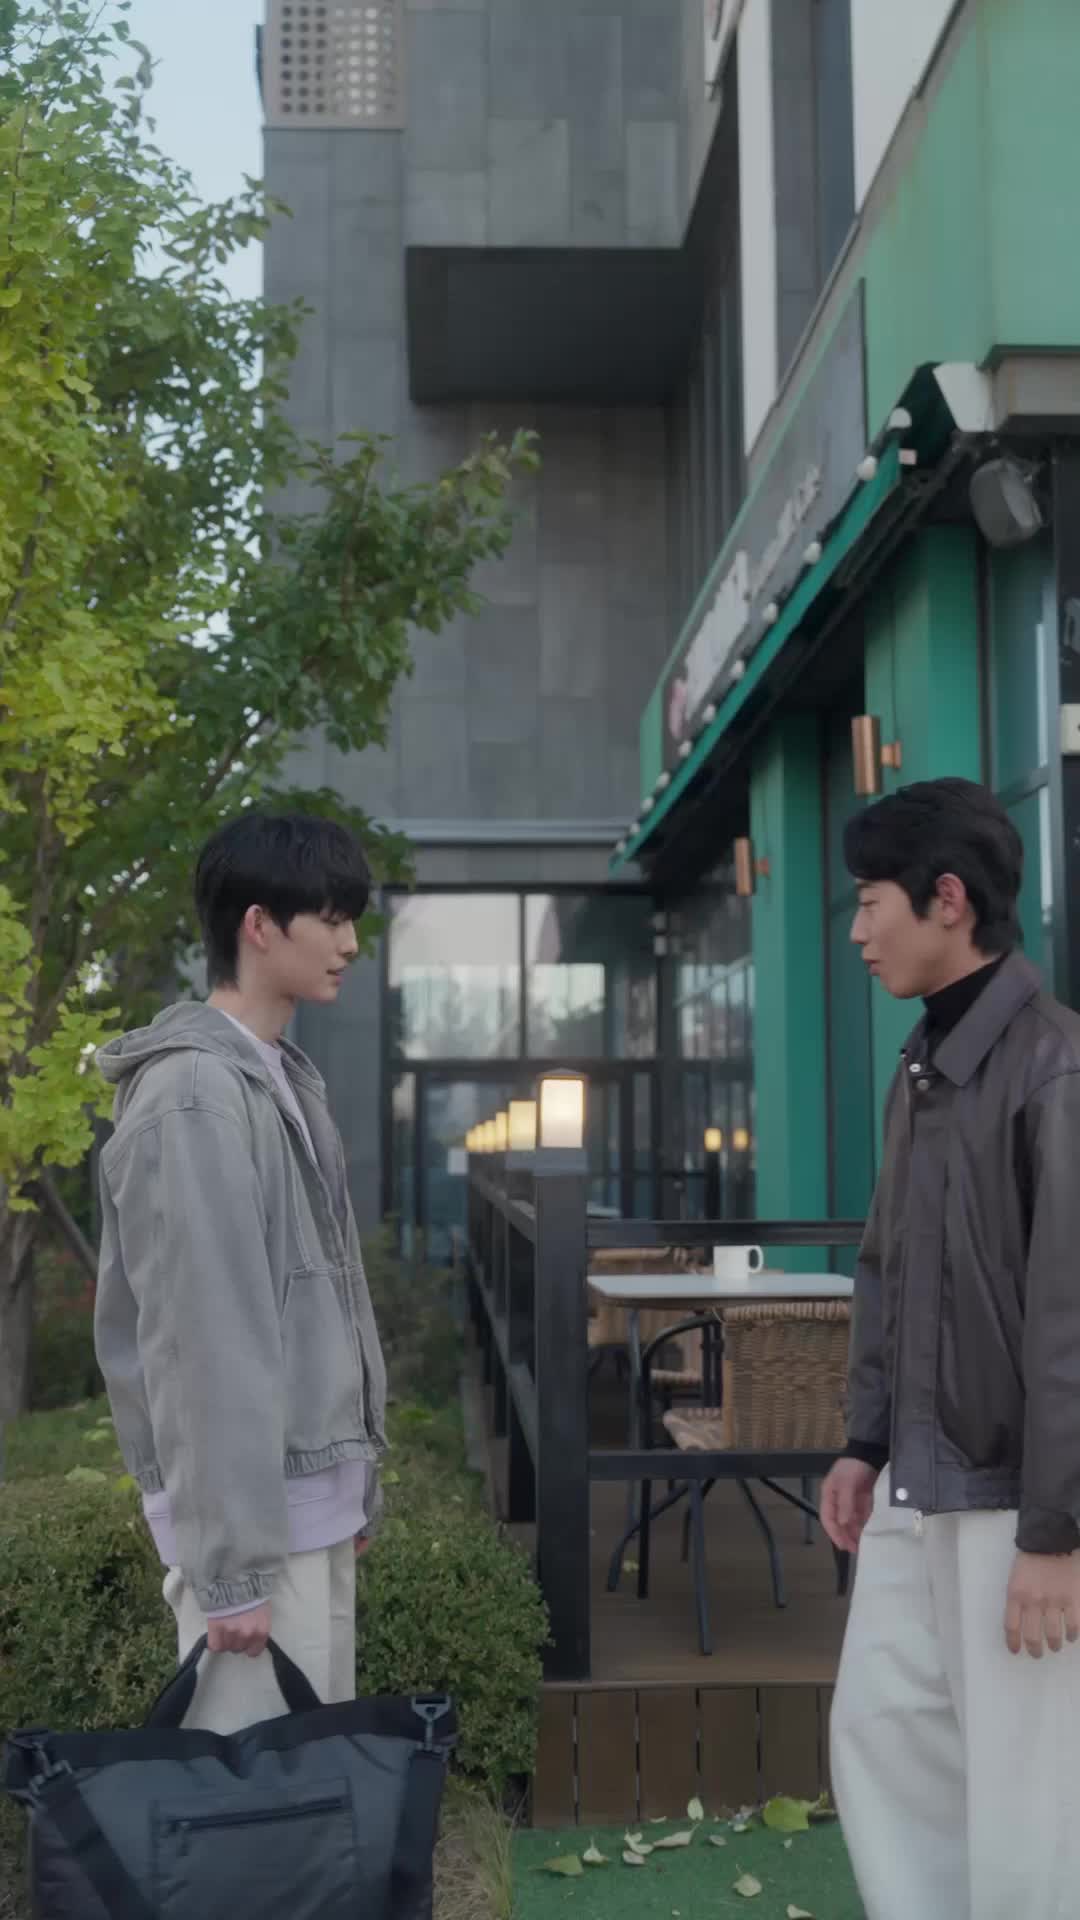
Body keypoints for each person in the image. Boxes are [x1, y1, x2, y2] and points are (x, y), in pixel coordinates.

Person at [820, 777, 1080, 1920]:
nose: (858, 930)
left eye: (870, 901)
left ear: (948, 900)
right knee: (882, 1737)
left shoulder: (1055, 1066)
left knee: (1030, 1795)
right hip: (917, 1486)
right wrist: (863, 1442)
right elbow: (889, 1268)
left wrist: (1057, 1533)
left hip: (1018, 1503)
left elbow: (1070, 1315)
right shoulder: (923, 1064)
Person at [94, 812, 387, 1735]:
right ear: (259, 926)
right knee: (255, 1806)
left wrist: (350, 1490)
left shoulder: (280, 1079)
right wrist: (229, 1570)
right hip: (255, 1537)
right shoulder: (195, 1096)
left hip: (303, 1511)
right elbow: (200, 1340)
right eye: (330, 918)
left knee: (307, 1796)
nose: (350, 942)